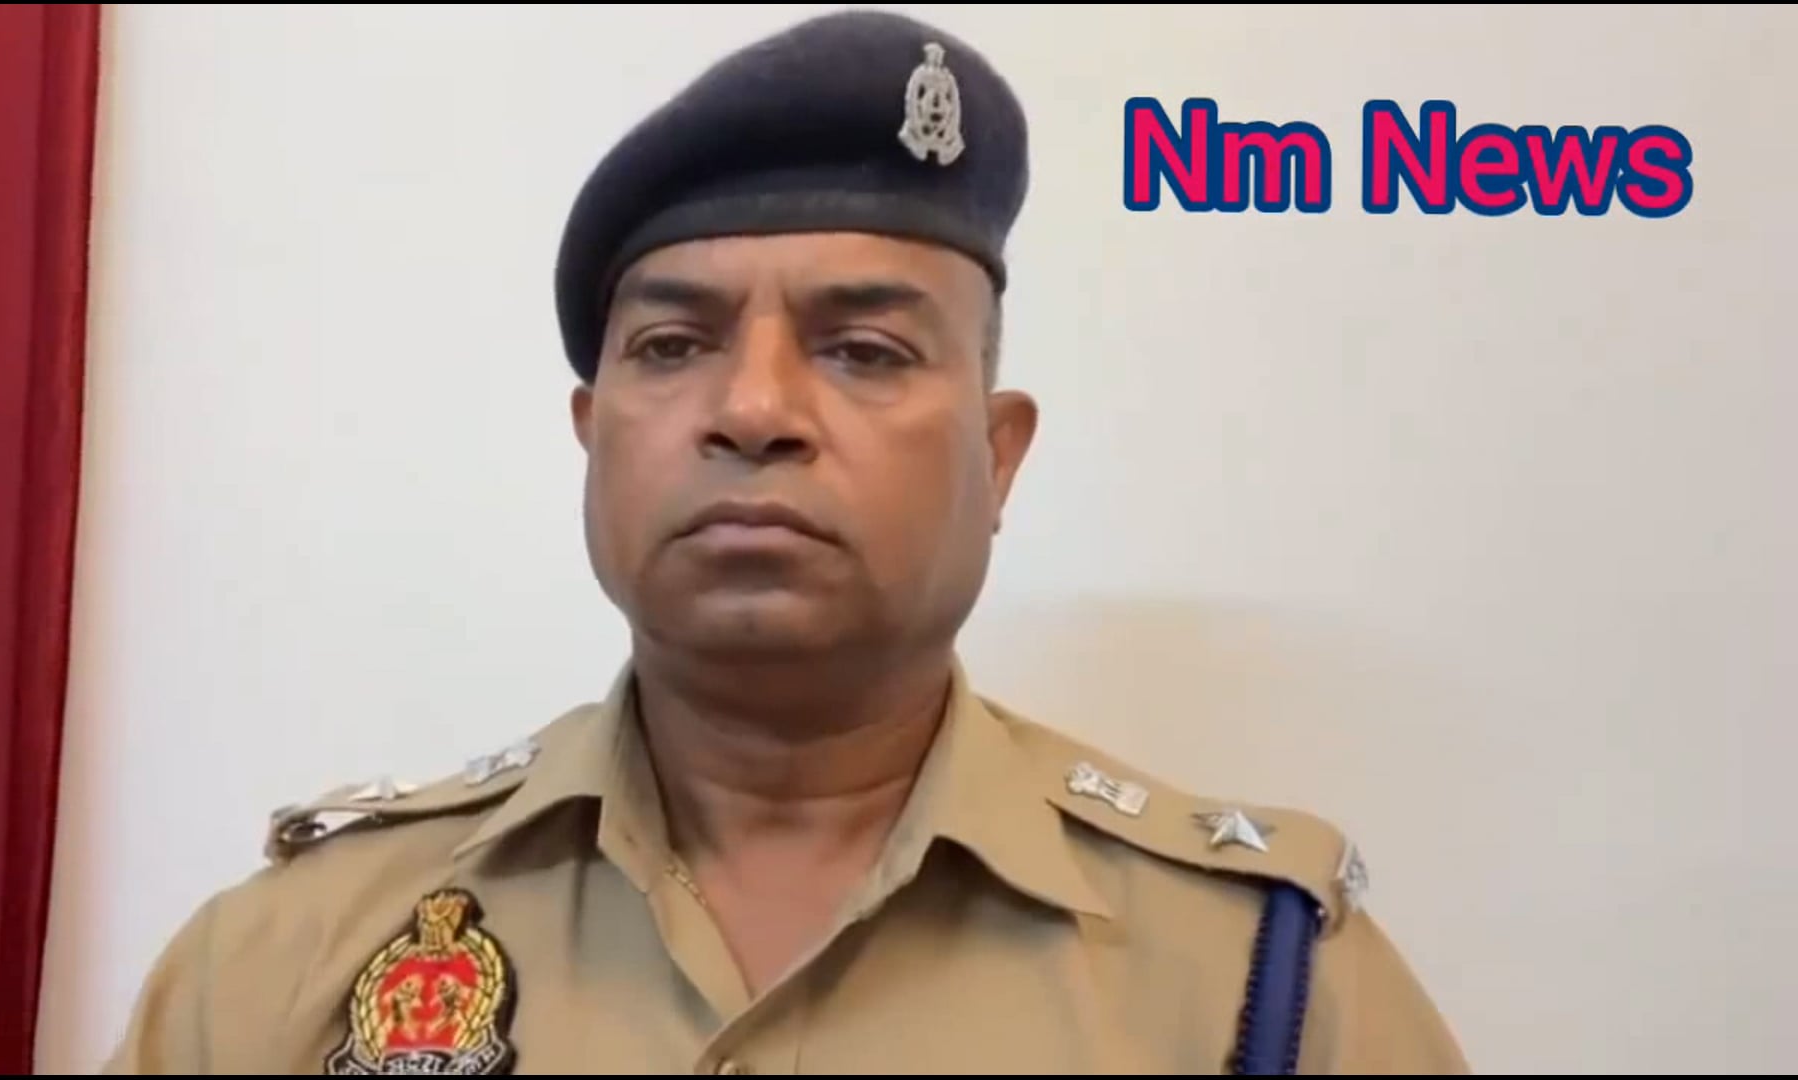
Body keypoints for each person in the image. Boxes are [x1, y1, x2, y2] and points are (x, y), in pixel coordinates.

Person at [100, 8, 1469, 1075]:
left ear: (998, 456)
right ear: (593, 434)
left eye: (863, 349)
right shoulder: (284, 963)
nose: (752, 409)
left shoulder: (1263, 990)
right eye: (673, 344)